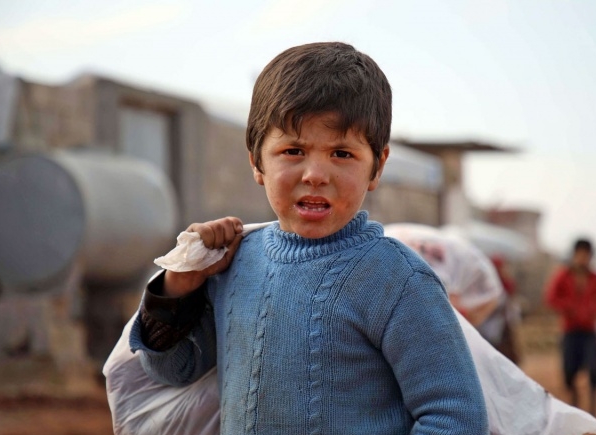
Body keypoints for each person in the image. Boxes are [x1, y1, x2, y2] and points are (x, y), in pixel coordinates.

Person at [127, 42, 488, 434]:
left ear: (377, 166)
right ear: (257, 161)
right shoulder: (235, 262)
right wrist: (180, 284)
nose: (315, 174)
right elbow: (174, 369)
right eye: (293, 150)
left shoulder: (397, 282)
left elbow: (455, 416)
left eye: (342, 154)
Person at [545, 238, 596, 417]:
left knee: (594, 369)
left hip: (590, 331)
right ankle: (574, 400)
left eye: (586, 255)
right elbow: (550, 298)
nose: (583, 259)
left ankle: (593, 406)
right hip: (570, 331)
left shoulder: (595, 278)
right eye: (580, 255)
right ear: (574, 255)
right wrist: (568, 308)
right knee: (569, 371)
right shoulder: (563, 275)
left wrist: (595, 310)